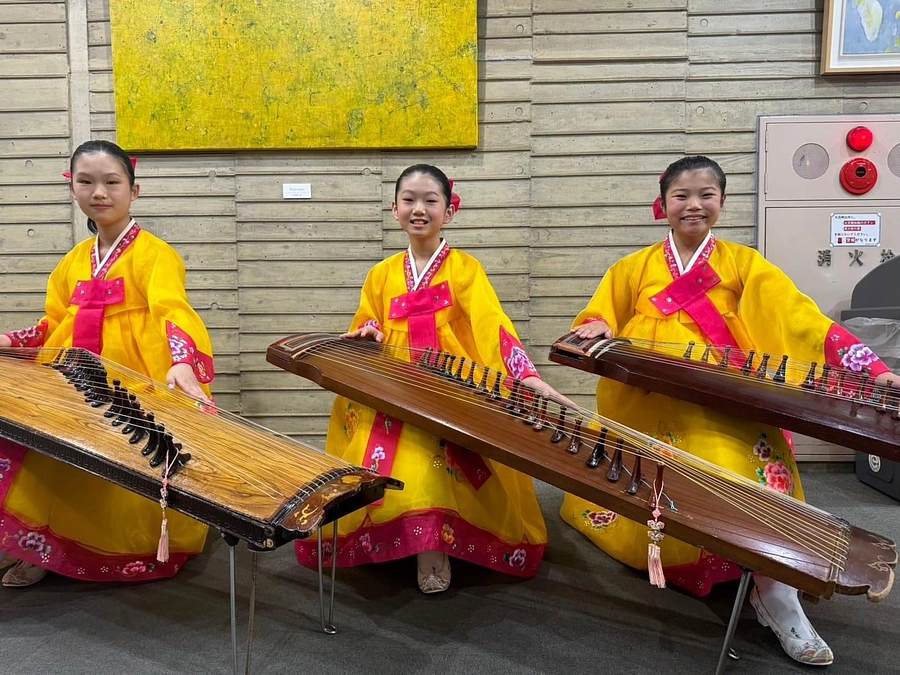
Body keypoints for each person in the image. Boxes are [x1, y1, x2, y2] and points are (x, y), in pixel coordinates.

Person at [559, 155, 895, 666]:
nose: (693, 205)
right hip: (655, 402)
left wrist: (867, 366)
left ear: (722, 201)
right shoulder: (633, 268)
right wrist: (599, 323)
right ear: (663, 203)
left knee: (745, 479)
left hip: (726, 398)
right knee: (673, 484)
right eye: (681, 196)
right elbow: (603, 310)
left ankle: (776, 593)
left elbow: (798, 318)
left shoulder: (744, 264)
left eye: (706, 195)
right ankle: (726, 571)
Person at [295, 164, 565, 594]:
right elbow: (368, 320)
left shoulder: (465, 269)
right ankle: (397, 538)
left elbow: (491, 325)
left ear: (449, 211)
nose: (419, 209)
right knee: (395, 463)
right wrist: (369, 332)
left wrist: (523, 374)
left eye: (430, 200)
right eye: (409, 200)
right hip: (394, 385)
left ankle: (433, 547)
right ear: (395, 208)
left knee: (439, 465)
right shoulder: (381, 274)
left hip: (448, 386)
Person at [0, 140, 215, 587]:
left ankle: (133, 547)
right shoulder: (73, 262)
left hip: (133, 375)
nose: (99, 191)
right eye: (86, 182)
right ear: (72, 188)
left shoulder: (156, 253)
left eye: (111, 182)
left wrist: (181, 361)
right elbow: (54, 323)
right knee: (56, 456)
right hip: (72, 375)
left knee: (135, 460)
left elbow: (172, 310)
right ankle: (47, 546)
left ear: (133, 191)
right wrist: (11, 340)